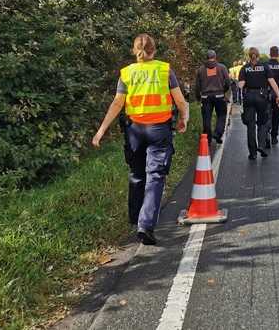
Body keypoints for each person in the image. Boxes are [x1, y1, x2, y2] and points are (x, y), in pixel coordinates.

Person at [92, 34, 188, 246]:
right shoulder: (165, 70)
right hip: (159, 131)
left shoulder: (127, 73)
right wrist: (184, 118)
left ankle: (135, 217)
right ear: (154, 50)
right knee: (155, 176)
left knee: (136, 173)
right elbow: (180, 100)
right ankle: (145, 225)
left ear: (134, 51)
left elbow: (117, 104)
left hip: (134, 131)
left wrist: (100, 132)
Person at [237, 47, 279, 159]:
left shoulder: (245, 68)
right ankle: (261, 145)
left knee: (250, 125)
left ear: (248, 56)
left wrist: (242, 81)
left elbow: (241, 85)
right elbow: (273, 83)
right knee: (262, 123)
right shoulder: (264, 67)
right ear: (258, 55)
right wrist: (278, 96)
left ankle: (252, 153)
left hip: (249, 98)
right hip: (261, 97)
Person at [195, 49, 230, 147]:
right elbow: (228, 81)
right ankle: (218, 133)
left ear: (206, 57)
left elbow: (197, 86)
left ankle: (208, 139)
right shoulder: (222, 67)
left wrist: (198, 97)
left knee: (206, 118)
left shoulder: (201, 69)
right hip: (219, 95)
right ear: (215, 56)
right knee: (222, 115)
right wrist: (224, 91)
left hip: (206, 97)